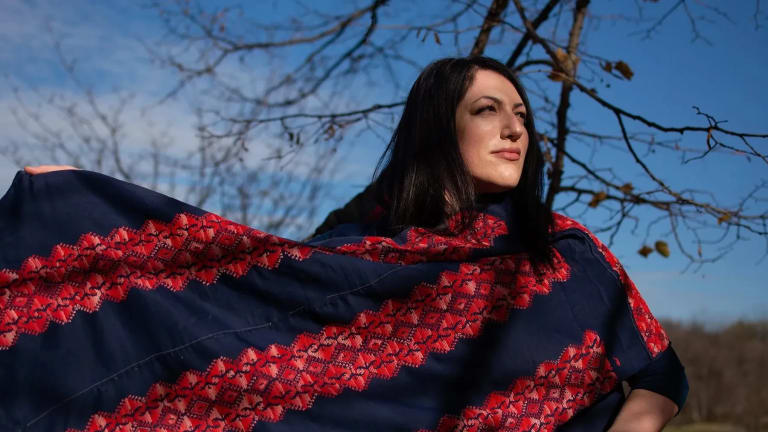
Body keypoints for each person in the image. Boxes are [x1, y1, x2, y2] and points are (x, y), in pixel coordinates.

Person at [22, 56, 686, 431]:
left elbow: (659, 374)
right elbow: (253, 298)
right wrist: (76, 209)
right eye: (488, 110)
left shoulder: (564, 256)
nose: (514, 129)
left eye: (521, 116)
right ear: (437, 128)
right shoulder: (369, 251)